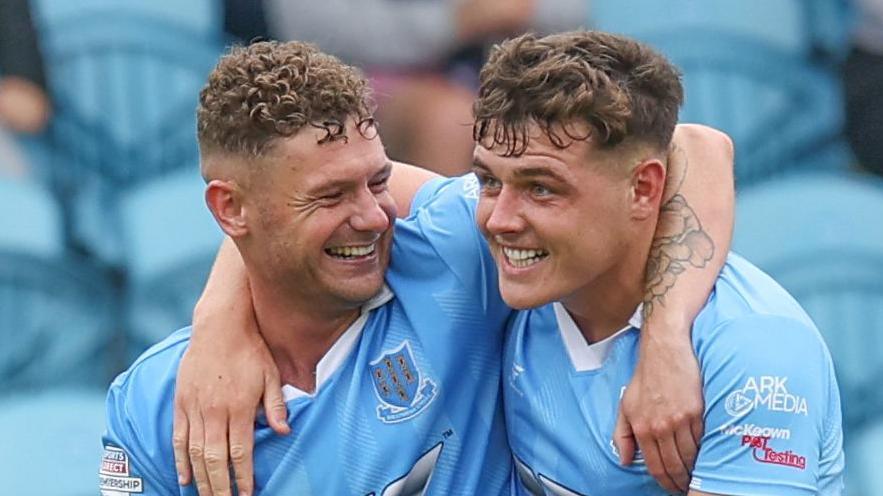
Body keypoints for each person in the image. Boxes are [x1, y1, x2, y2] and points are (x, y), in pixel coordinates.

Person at [104, 40, 734, 496]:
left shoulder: (455, 257)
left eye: (377, 181)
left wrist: (667, 334)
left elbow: (695, 146)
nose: (375, 218)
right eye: (329, 197)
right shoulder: (151, 404)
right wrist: (218, 321)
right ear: (230, 209)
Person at [468, 32, 843, 495]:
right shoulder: (493, 247)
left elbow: (698, 143)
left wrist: (665, 337)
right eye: (486, 180)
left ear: (644, 189)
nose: (499, 220)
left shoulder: (754, 348)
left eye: (542, 188)